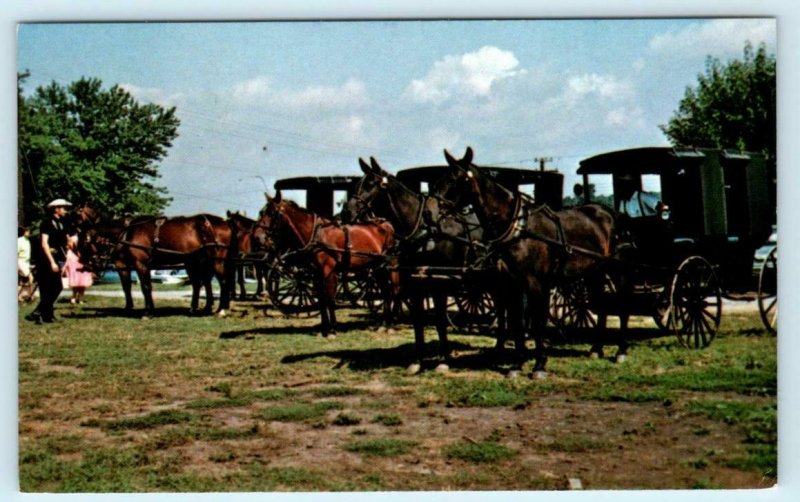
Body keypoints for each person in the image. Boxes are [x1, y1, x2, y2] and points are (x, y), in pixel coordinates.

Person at [26, 198, 75, 324]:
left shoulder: (62, 223)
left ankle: (40, 312)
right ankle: (46, 315)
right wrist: (52, 262)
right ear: (56, 209)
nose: (65, 210)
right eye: (63, 208)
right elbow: (44, 244)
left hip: (58, 257)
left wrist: (69, 244)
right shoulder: (46, 223)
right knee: (46, 287)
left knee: (57, 286)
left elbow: (66, 240)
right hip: (46, 259)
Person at [63, 235, 93, 304]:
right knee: (76, 282)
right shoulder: (74, 238)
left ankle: (80, 298)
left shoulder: (86, 237)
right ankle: (73, 297)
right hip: (74, 260)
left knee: (83, 282)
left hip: (84, 261)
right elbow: (69, 246)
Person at [17, 226, 34, 302]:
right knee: (30, 278)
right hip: (20, 261)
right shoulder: (19, 241)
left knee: (22, 282)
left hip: (26, 262)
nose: (28, 232)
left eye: (29, 231)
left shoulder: (28, 241)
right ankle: (30, 295)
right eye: (27, 231)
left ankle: (19, 296)